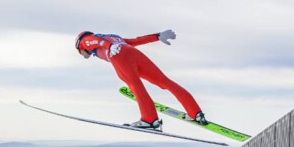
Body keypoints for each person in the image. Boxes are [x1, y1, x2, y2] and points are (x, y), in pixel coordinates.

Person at [74, 30, 208, 130]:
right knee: (164, 81)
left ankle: (150, 120)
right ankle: (195, 113)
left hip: (118, 56)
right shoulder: (112, 37)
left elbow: (95, 41)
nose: (81, 55)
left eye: (79, 52)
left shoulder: (85, 41)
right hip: (133, 53)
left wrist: (108, 47)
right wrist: (157, 36)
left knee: (136, 86)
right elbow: (135, 41)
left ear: (79, 46)